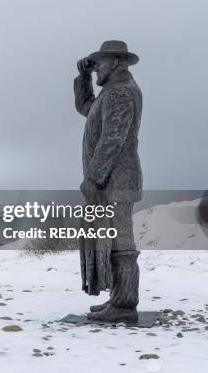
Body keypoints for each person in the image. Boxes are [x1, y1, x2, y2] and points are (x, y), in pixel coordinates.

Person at [74, 40, 143, 323]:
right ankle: (118, 299)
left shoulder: (121, 93)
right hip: (111, 181)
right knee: (114, 241)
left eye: (100, 63)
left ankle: (125, 304)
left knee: (121, 243)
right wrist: (84, 78)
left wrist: (93, 177)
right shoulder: (111, 92)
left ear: (115, 63)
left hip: (116, 181)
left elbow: (112, 139)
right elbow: (85, 109)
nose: (97, 67)